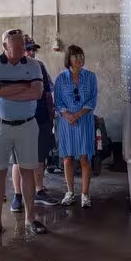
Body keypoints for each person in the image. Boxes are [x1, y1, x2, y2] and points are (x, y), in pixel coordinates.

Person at [0, 28, 47, 237]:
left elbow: (36, 93)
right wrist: (22, 88)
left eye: (23, 46)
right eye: (16, 46)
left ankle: (31, 219)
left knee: (28, 170)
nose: (22, 50)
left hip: (27, 125)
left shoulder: (34, 65)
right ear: (4, 47)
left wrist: (5, 90)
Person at [11, 35, 58, 212]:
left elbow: (47, 93)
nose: (31, 52)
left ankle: (39, 190)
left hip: (41, 118)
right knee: (17, 160)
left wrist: (50, 115)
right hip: (19, 121)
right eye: (28, 49)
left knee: (39, 158)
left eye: (33, 49)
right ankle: (18, 195)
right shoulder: (10, 68)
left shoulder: (40, 67)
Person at [54, 45, 98, 208]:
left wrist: (77, 115)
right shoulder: (61, 78)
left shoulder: (91, 77)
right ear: (69, 59)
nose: (79, 59)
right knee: (67, 158)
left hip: (84, 120)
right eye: (75, 56)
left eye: (81, 56)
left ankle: (85, 195)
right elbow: (57, 101)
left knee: (85, 157)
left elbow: (92, 100)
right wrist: (67, 115)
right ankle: (70, 192)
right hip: (66, 122)